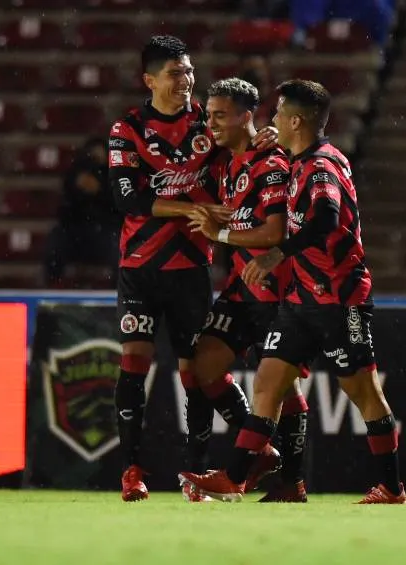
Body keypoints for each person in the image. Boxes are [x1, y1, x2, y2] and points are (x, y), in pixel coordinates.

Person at [179, 79, 405, 504]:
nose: (273, 120)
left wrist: (276, 254)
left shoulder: (320, 165)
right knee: (267, 382)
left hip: (339, 296)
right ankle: (235, 476)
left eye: (279, 113)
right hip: (301, 300)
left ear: (296, 120)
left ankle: (391, 486)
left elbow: (325, 217)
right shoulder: (298, 160)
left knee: (363, 392)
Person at [107, 35, 279, 502]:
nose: (185, 81)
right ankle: (132, 472)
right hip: (139, 264)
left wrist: (266, 137)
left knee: (194, 373)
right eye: (174, 74)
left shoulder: (207, 119)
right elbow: (128, 199)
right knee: (133, 364)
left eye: (188, 71)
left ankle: (197, 473)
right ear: (150, 80)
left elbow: (242, 142)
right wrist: (190, 210)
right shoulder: (129, 128)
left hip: (191, 267)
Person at [179, 77, 310, 503]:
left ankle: (291, 482)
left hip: (277, 291)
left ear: (246, 116)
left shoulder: (270, 161)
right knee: (203, 366)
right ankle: (260, 451)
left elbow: (273, 232)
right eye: (209, 114)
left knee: (281, 390)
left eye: (220, 115)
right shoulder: (228, 159)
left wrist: (221, 235)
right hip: (242, 287)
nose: (210, 123)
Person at [43, 137, 119, 287]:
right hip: (74, 230)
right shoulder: (75, 173)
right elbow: (65, 206)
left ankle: (118, 291)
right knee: (55, 242)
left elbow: (117, 207)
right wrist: (78, 187)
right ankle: (52, 288)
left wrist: (100, 190)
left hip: (105, 230)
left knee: (120, 248)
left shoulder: (114, 176)